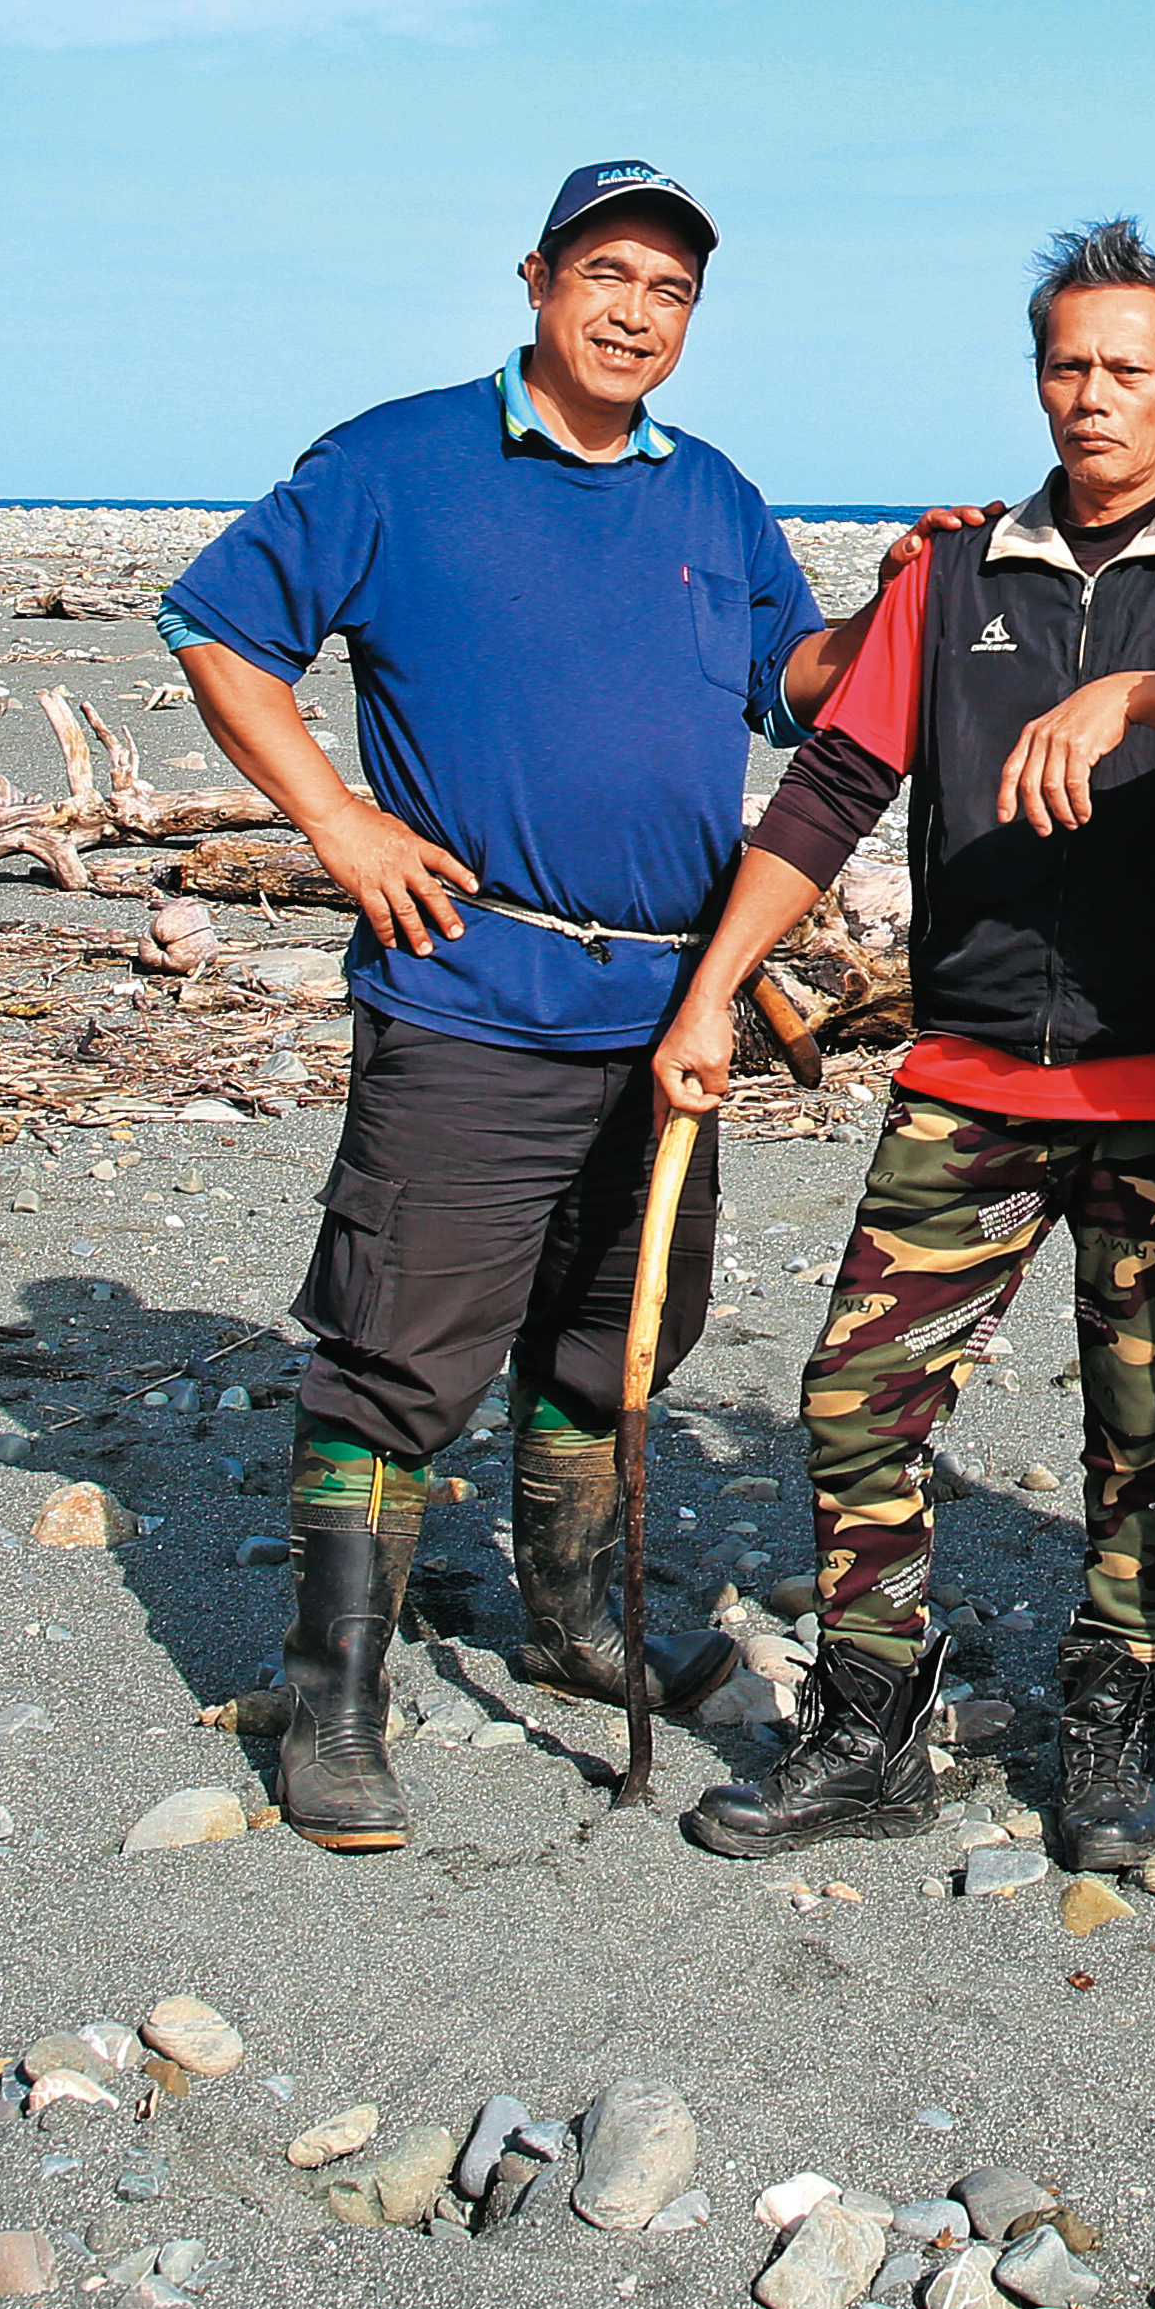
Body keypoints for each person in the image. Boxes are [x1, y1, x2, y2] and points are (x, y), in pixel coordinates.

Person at [643, 217, 1155, 1868]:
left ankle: (1117, 1718)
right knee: (852, 1398)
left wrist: (1144, 692)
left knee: (1143, 1421)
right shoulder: (957, 574)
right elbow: (832, 788)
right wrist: (710, 998)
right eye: (1068, 366)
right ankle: (877, 1720)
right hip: (968, 1079)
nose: (1093, 398)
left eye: (1129, 369)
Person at [162, 157, 861, 1853]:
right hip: (475, 998)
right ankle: (334, 1698)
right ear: (538, 280)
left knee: (617, 1340)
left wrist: (916, 607)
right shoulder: (400, 460)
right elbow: (217, 626)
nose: (636, 312)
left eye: (672, 291)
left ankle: (569, 1622)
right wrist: (333, 820)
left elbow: (800, 685)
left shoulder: (713, 498)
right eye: (608, 274)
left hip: (673, 1015)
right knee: (402, 1353)